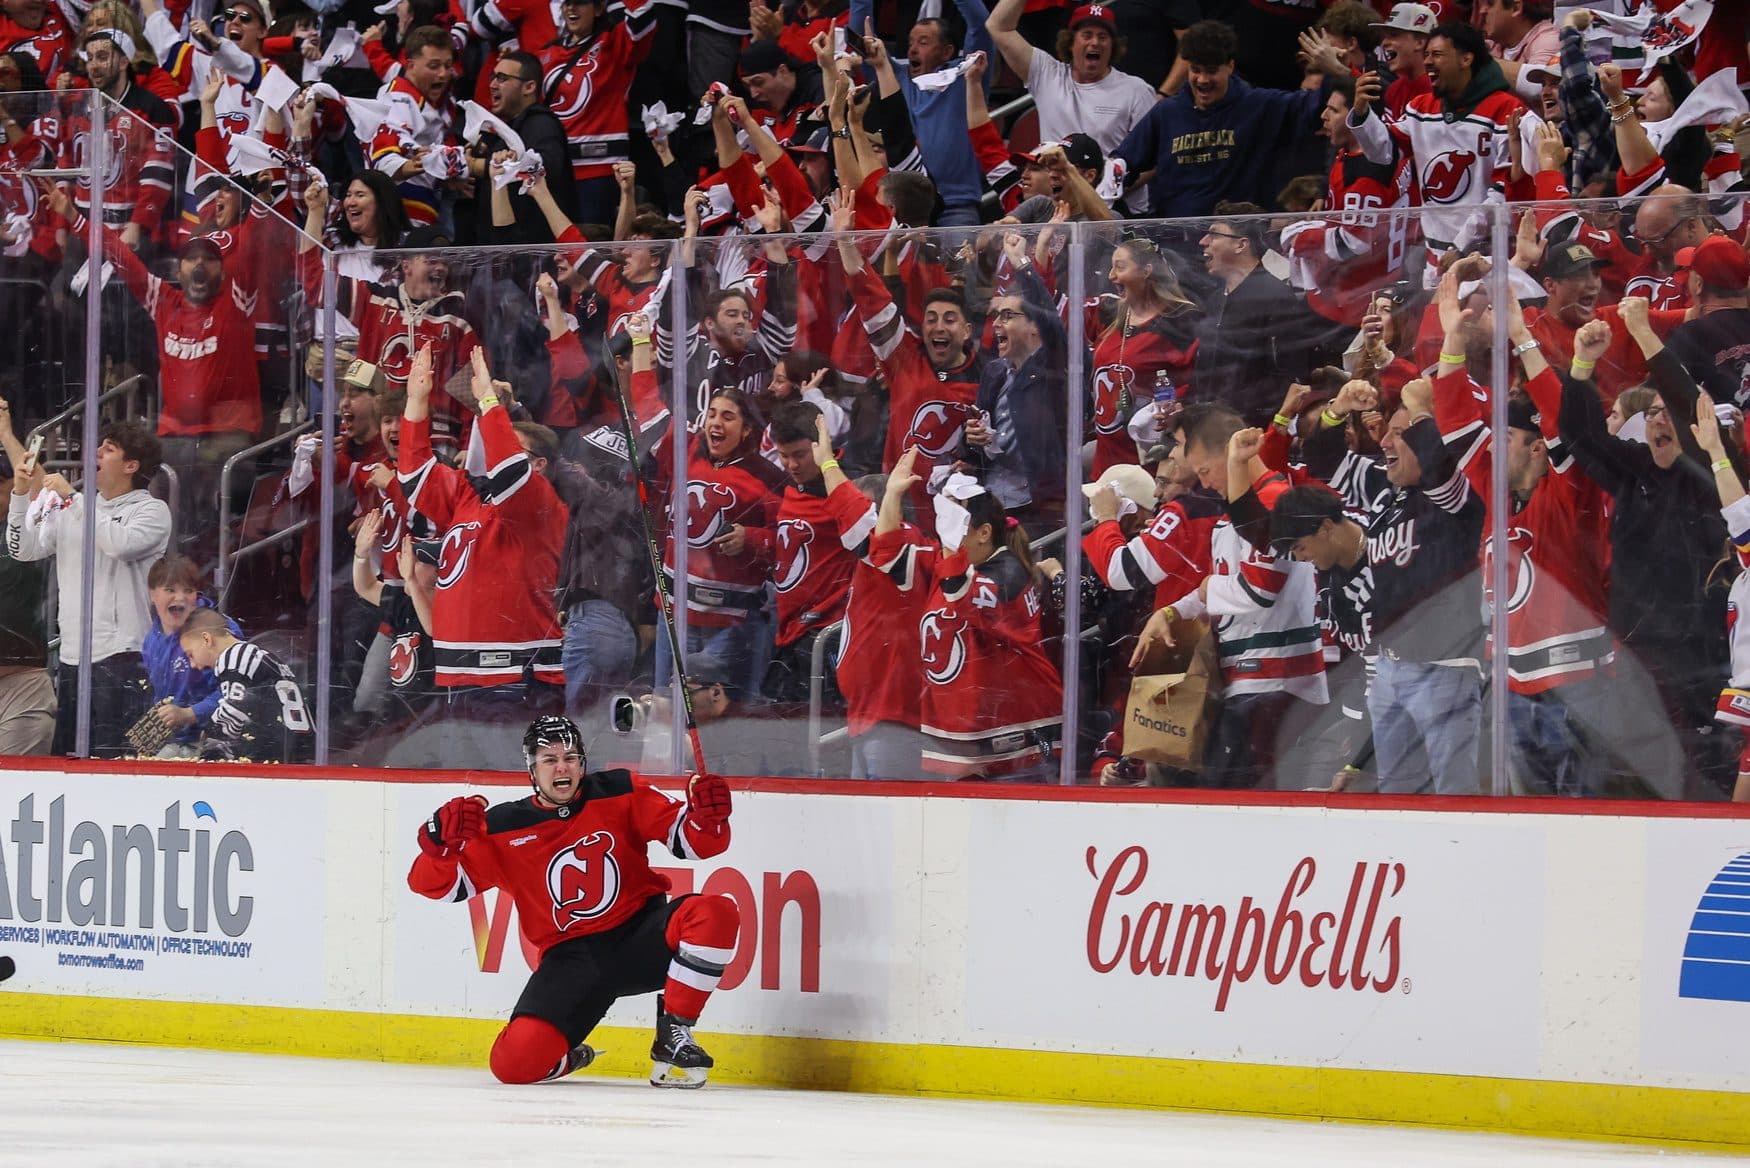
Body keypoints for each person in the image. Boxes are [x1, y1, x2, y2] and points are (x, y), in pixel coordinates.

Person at [406, 715, 740, 1087]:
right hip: (572, 963)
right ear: (532, 769)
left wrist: (708, 819)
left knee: (715, 912)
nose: (562, 767)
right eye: (550, 760)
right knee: (512, 1066)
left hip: (640, 936)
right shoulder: (503, 827)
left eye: (570, 757)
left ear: (583, 762)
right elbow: (435, 887)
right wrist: (438, 849)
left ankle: (674, 1033)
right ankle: (571, 1057)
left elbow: (695, 844)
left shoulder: (619, 791)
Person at [397, 345, 569, 765]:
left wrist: (489, 403)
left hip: (514, 681)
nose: (491, 463)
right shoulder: (469, 500)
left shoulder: (540, 503)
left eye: (510, 451)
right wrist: (416, 402)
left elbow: (509, 468)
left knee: (513, 799)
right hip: (461, 682)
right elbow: (414, 476)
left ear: (540, 465)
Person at [871, 469, 1062, 780]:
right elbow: (886, 554)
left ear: (983, 532)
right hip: (967, 739)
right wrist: (892, 494)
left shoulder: (1009, 573)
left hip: (1016, 741)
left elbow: (962, 592)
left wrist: (948, 547)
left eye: (952, 518)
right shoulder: (948, 563)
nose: (942, 525)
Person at [6, 419, 170, 758]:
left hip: (126, 655)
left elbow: (119, 544)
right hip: (71, 657)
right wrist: (21, 494)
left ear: (131, 465)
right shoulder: (73, 507)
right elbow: (23, 550)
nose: (95, 452)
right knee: (70, 760)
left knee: (120, 759)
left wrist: (72, 497)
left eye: (108, 449)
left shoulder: (152, 510)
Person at [1114, 19, 1338, 220]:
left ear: (1230, 66)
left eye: (1211, 71)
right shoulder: (1166, 113)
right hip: (1176, 245)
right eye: (1195, 70)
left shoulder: (1260, 105)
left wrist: (1335, 70)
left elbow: (1317, 107)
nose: (1202, 80)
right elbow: (1123, 162)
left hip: (1242, 243)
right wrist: (1107, 191)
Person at [984, 0, 1157, 156]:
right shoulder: (1046, 74)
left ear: (1113, 46)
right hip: (1058, 189)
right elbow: (997, 26)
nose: (1095, 42)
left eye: (1103, 37)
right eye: (1087, 35)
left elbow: (1151, 160)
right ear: (1070, 42)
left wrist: (1108, 186)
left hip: (1113, 190)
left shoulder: (1137, 91)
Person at [178, 607, 313, 763]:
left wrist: (207, 750)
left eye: (190, 654)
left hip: (277, 758)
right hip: (300, 752)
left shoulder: (233, 656)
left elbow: (232, 714)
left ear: (207, 639)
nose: (193, 664)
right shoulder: (260, 655)